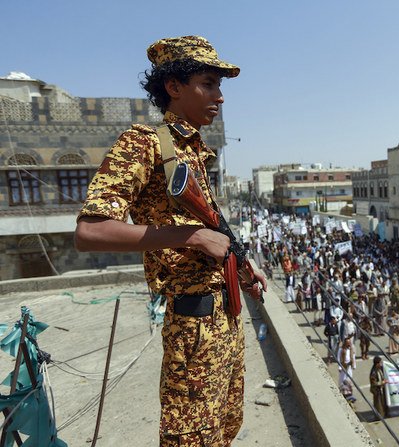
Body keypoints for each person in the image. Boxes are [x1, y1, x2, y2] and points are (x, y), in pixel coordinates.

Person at [74, 35, 267, 446]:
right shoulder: (143, 142)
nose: (219, 96)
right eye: (208, 83)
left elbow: (212, 231)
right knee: (191, 439)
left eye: (220, 86)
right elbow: (90, 231)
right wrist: (191, 236)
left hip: (224, 320)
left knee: (223, 431)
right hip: (193, 327)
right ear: (174, 87)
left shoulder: (194, 150)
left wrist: (241, 266)